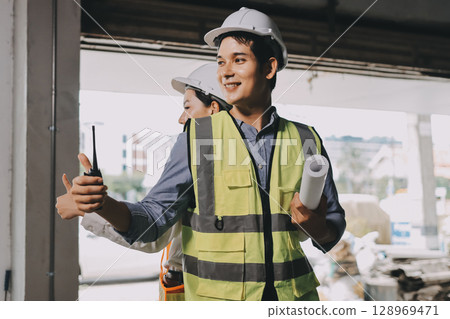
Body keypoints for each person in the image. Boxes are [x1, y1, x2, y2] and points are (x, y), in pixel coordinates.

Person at [64, 7, 346, 301]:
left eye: (239, 60)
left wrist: (319, 229)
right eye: (220, 62)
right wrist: (103, 205)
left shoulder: (305, 139)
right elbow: (150, 224)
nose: (225, 71)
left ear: (269, 67)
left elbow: (333, 228)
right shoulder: (196, 139)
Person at [56, 63, 230, 301]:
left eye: (187, 107)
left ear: (214, 109)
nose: (181, 119)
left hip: (197, 293)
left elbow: (152, 233)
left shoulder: (194, 153)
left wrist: (93, 207)